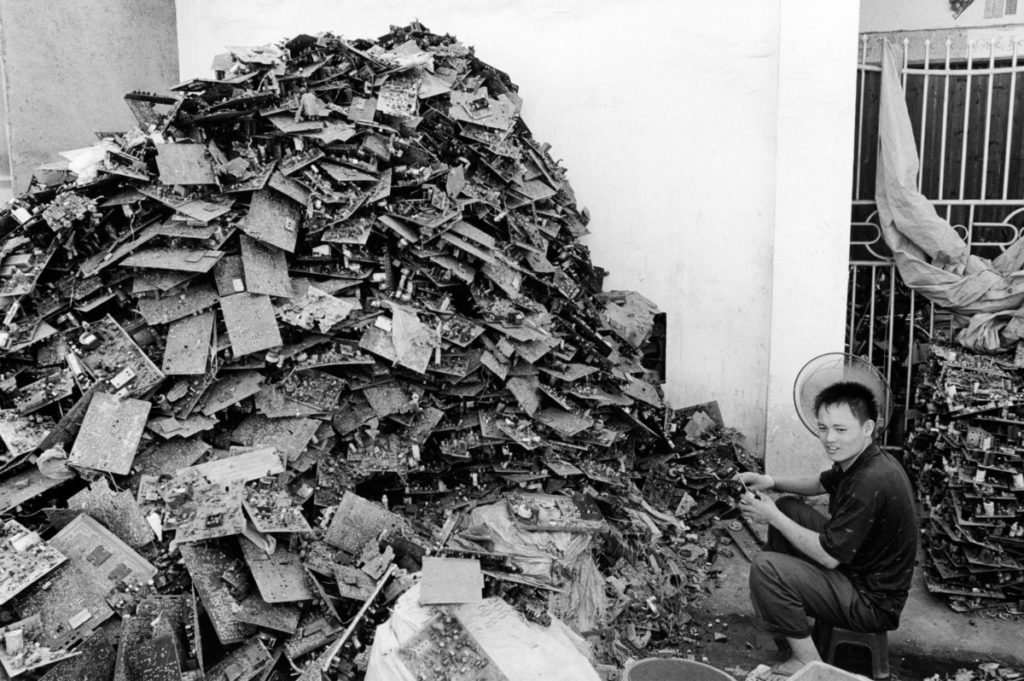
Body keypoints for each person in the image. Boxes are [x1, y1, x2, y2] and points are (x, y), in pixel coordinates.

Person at [735, 381, 917, 677]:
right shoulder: (863, 459)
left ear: (867, 427)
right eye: (823, 428)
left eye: (841, 430)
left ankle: (806, 661)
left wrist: (770, 516)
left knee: (765, 567)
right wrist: (771, 481)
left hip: (871, 601)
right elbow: (821, 483)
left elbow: (829, 557)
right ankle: (789, 614)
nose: (830, 438)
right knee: (789, 506)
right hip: (860, 568)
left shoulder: (869, 481)